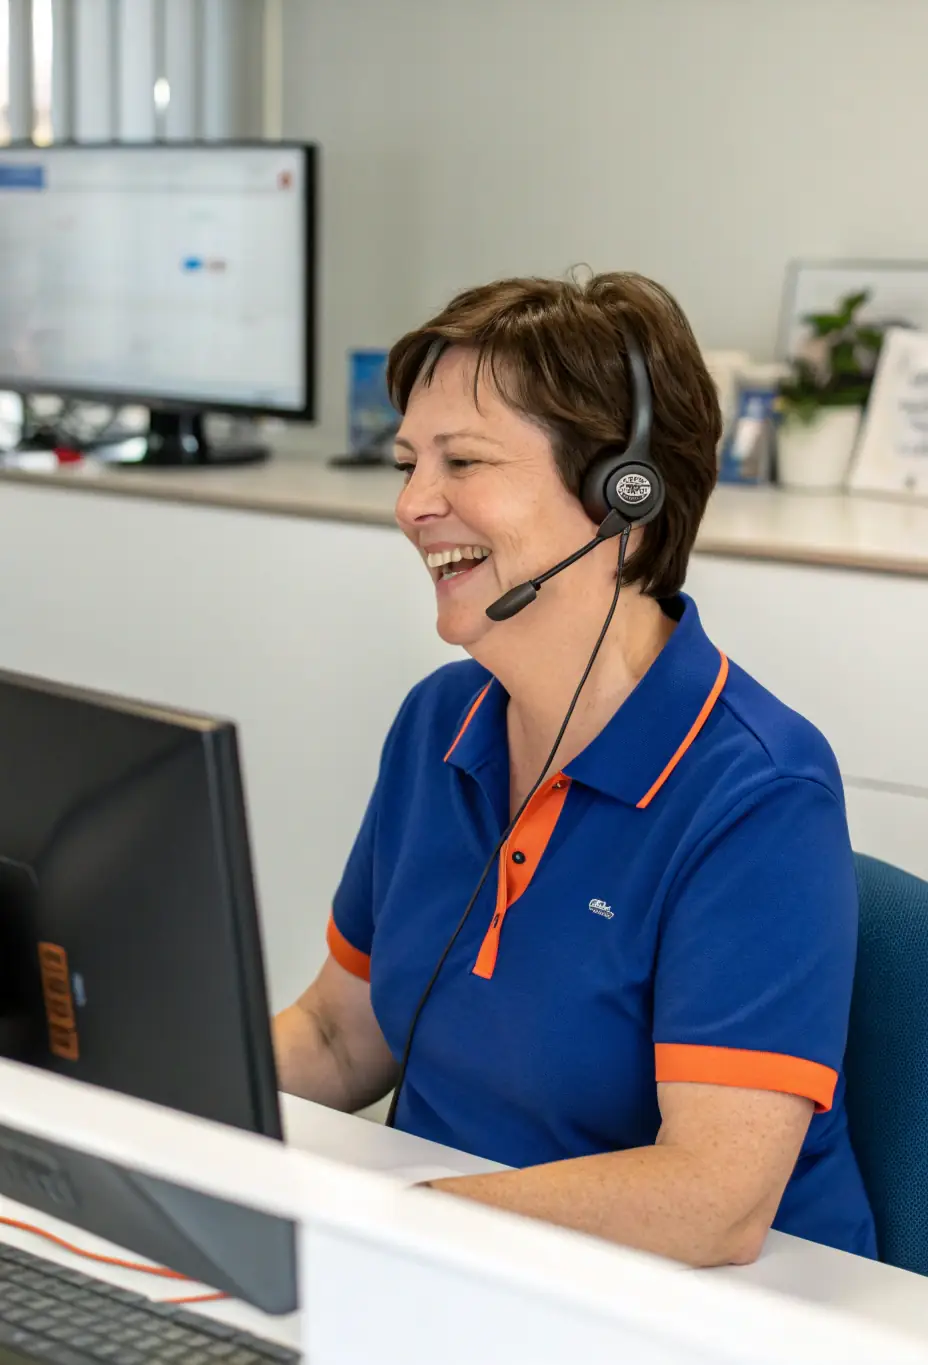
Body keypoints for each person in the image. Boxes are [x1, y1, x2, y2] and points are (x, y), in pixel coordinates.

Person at [273, 271, 877, 1267]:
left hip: (682, 1315)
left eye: (463, 462)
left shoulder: (757, 793)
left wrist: (398, 1227)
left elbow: (712, 1198)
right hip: (446, 1268)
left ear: (622, 495)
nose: (412, 505)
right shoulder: (439, 723)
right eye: (407, 463)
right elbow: (341, 1041)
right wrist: (133, 1092)